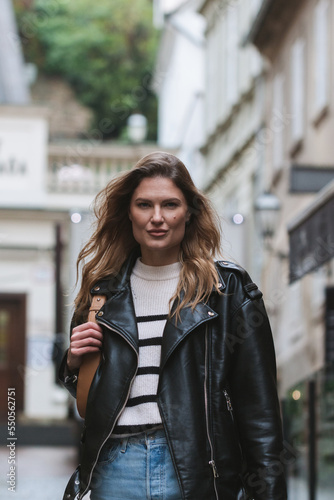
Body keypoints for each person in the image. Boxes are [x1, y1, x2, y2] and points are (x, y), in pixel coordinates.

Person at [59, 152, 287, 500]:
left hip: (196, 469)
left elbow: (260, 412)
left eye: (170, 205)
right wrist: (74, 364)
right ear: (129, 213)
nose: (157, 218)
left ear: (189, 212)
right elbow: (91, 399)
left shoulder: (226, 292)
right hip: (117, 467)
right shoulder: (103, 294)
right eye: (144, 205)